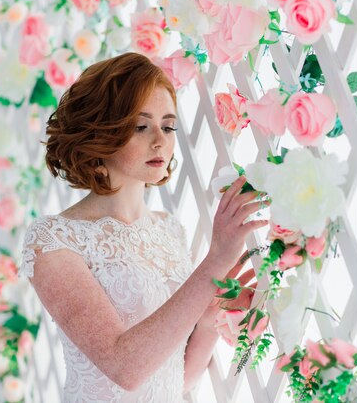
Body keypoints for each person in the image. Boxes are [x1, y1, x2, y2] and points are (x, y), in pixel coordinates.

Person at [18, 52, 269, 402]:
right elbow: (125, 368)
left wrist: (210, 319)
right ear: (100, 131)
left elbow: (174, 381)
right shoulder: (53, 241)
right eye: (141, 126)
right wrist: (214, 261)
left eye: (167, 126)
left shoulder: (169, 230)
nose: (160, 141)